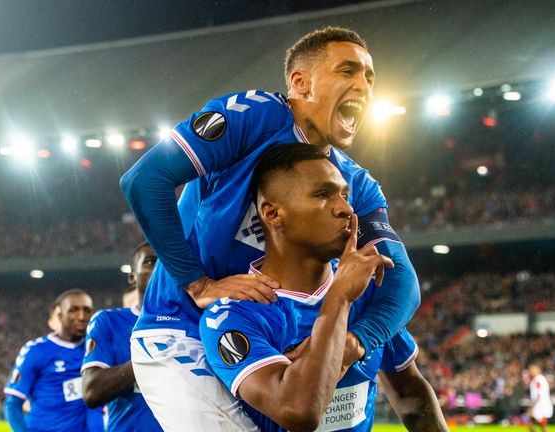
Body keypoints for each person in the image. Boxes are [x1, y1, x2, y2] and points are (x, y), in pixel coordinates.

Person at [121, 26, 421, 430]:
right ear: (301, 82)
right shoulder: (254, 116)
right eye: (347, 71)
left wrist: (358, 342)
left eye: (369, 77)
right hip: (182, 328)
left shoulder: (355, 185)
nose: (363, 85)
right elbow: (145, 179)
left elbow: (402, 281)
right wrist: (198, 284)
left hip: (268, 327)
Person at [199, 143, 447, 431]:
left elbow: (410, 394)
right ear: (272, 214)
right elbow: (299, 410)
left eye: (344, 195)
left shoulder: (369, 295)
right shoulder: (233, 317)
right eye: (322, 194)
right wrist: (339, 297)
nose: (346, 208)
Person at [81, 242, 162, 432]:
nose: (160, 267)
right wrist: (153, 359)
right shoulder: (108, 321)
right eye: (151, 261)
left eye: (166, 261)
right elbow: (91, 392)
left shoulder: (196, 320)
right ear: (132, 277)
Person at [4, 289, 103, 432]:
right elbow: (13, 404)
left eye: (87, 310)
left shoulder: (95, 350)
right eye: (73, 310)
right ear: (60, 315)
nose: (81, 317)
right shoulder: (35, 350)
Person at [527, 364, 553, 432]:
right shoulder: (540, 379)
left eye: (532, 369)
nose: (530, 371)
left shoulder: (538, 379)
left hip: (540, 405)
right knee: (534, 422)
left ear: (537, 370)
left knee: (536, 421)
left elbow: (539, 394)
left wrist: (532, 407)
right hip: (541, 404)